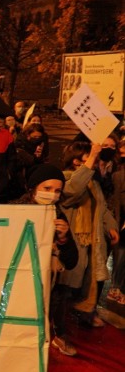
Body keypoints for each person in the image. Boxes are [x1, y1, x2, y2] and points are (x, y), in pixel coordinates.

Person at [10, 163, 78, 372]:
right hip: (7, 298)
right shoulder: (12, 212)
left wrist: (62, 239)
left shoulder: (58, 217)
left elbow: (72, 260)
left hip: (38, 300)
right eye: (46, 189)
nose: (51, 194)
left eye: (57, 191)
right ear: (33, 188)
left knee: (30, 355)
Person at [59, 141, 119, 329]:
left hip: (92, 240)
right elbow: (72, 191)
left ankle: (85, 312)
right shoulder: (65, 178)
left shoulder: (93, 181)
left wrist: (111, 226)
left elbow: (102, 207)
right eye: (83, 157)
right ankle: (58, 324)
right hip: (72, 241)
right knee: (65, 283)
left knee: (90, 280)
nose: (87, 161)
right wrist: (92, 156)